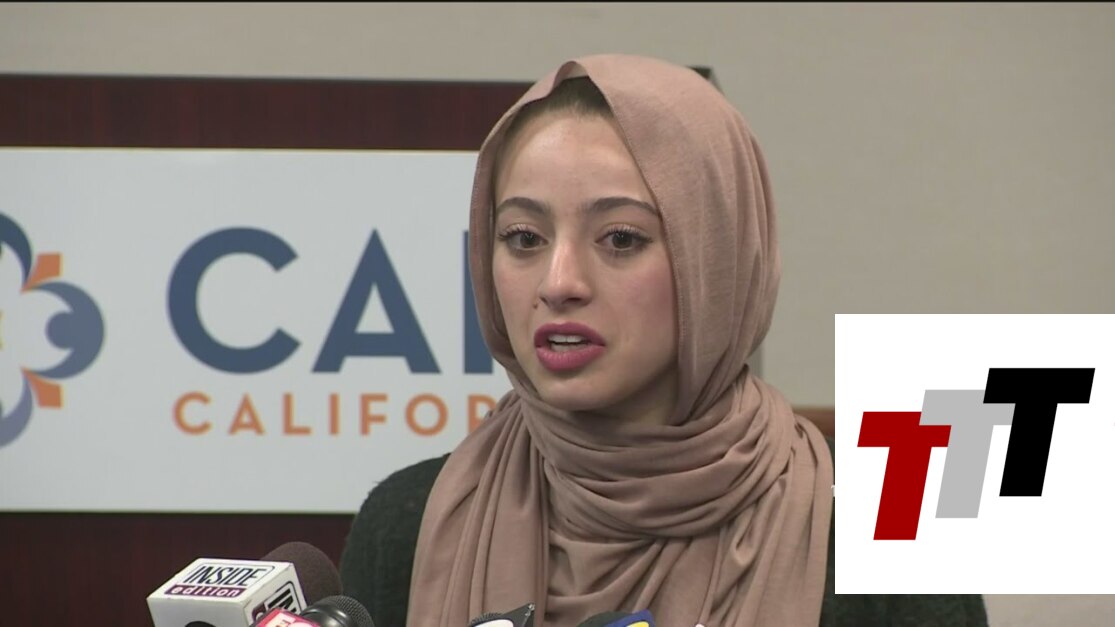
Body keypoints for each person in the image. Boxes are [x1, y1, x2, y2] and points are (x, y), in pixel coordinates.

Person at [340, 53, 988, 627]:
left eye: (621, 238)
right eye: (524, 238)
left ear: (717, 259)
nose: (559, 283)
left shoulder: (883, 526)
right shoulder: (409, 524)